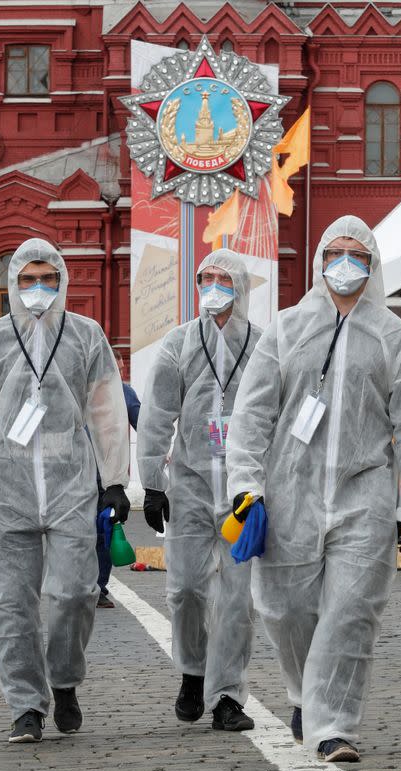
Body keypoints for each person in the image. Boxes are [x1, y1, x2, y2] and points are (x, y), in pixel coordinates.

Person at [226, 216, 401, 763]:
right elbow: (252, 415)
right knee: (286, 608)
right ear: (319, 263)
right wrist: (246, 487)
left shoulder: (392, 337)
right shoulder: (287, 329)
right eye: (335, 252)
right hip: (289, 489)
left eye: (356, 254)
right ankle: (305, 693)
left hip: (365, 492)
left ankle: (333, 726)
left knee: (350, 611)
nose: (345, 262)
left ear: (371, 265)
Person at [0, 238, 130, 743]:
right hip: (7, 484)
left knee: (75, 592)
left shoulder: (86, 336)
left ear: (62, 280)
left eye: (46, 278)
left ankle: (65, 680)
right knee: (11, 603)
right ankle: (26, 704)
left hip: (72, 479)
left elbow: (108, 409)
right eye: (26, 280)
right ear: (12, 284)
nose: (36, 289)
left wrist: (115, 479)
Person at [137, 248, 261, 732]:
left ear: (240, 286)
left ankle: (228, 695)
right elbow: (157, 413)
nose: (212, 286)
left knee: (236, 599)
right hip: (189, 483)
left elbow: (277, 413)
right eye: (205, 277)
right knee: (186, 590)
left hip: (243, 488)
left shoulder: (261, 346)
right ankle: (192, 671)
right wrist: (152, 482)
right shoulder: (179, 343)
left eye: (221, 278)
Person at [96, 348, 140, 608]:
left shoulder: (124, 393)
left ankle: (98, 587)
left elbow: (142, 421)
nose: (118, 371)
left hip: (110, 478)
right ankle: (86, 586)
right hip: (81, 476)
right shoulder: (83, 390)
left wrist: (159, 451)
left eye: (120, 366)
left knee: (105, 532)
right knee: (85, 535)